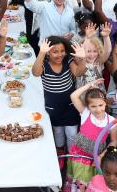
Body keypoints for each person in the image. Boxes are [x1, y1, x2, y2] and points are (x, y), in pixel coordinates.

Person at [65, 79, 117, 192]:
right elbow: (73, 96)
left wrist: (102, 155)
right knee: (79, 182)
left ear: (105, 103)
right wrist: (90, 86)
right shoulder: (85, 113)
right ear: (88, 106)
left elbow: (114, 142)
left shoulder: (111, 121)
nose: (98, 109)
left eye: (101, 105)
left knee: (90, 183)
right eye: (93, 106)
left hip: (96, 158)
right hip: (79, 154)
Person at [32, 36, 86, 164]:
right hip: (53, 107)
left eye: (62, 51)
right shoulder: (43, 64)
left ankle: (72, 156)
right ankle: (61, 154)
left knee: (72, 132)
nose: (60, 54)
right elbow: (35, 72)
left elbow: (79, 73)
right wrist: (41, 53)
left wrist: (82, 59)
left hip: (70, 105)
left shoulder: (68, 60)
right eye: (55, 51)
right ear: (48, 53)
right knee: (58, 131)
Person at [75, 22, 112, 91]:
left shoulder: (98, 62)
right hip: (83, 96)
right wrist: (87, 38)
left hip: (98, 94)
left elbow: (107, 51)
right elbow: (83, 53)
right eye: (89, 51)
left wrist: (106, 37)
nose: (92, 55)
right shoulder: (80, 61)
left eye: (95, 51)